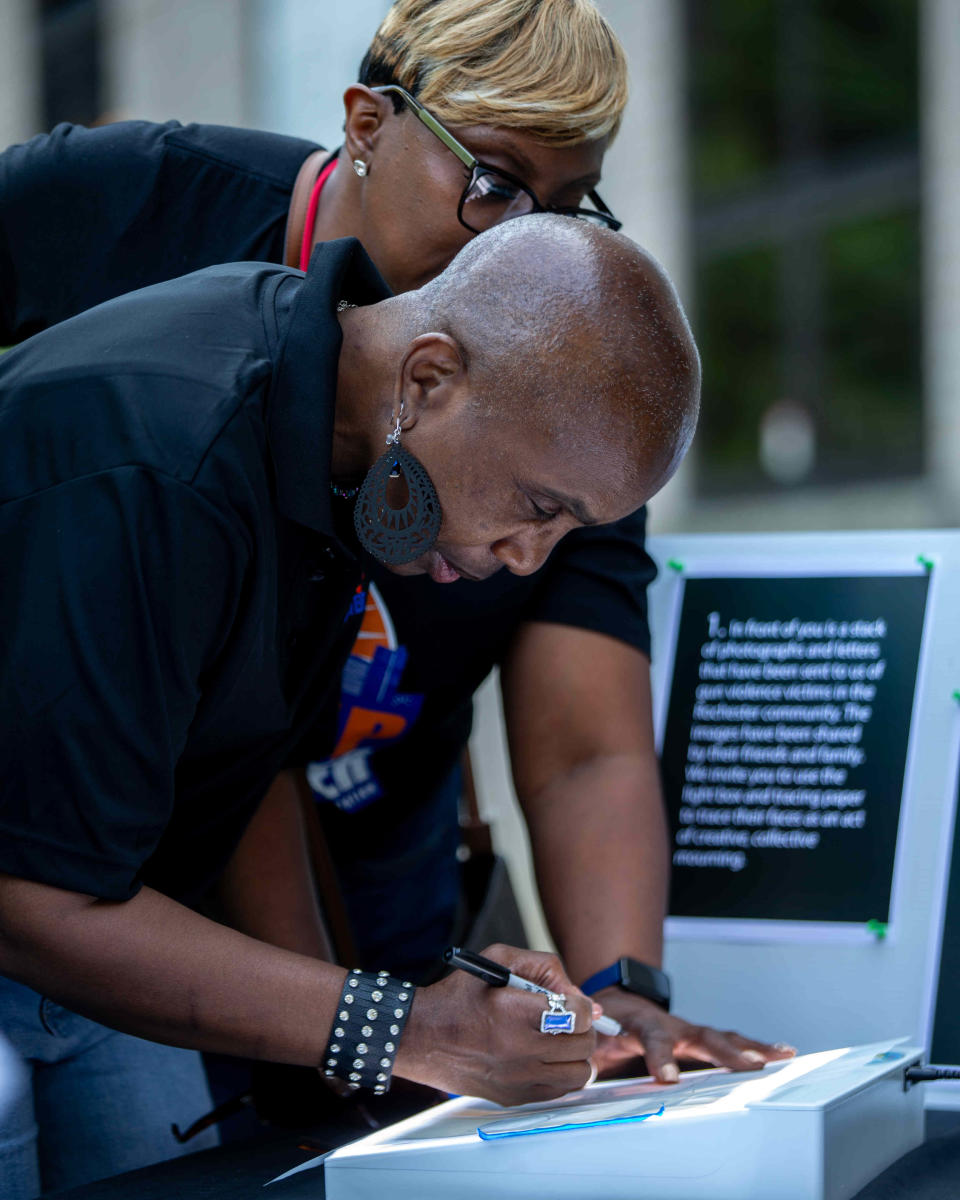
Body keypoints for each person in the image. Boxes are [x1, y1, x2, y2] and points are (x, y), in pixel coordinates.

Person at [0, 0, 792, 1103]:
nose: (527, 242)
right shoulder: (130, 249)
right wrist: (387, 1028)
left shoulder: (565, 377)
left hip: (297, 854)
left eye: (572, 207)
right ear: (369, 124)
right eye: (497, 184)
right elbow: (43, 888)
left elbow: (581, 746)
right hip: (84, 861)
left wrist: (614, 999)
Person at [0, 216, 697, 1195]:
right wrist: (401, 1027)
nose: (527, 561)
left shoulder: (331, 428)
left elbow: (235, 781)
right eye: (541, 507)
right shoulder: (165, 450)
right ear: (428, 379)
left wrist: (381, 1036)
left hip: (108, 938)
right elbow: (31, 893)